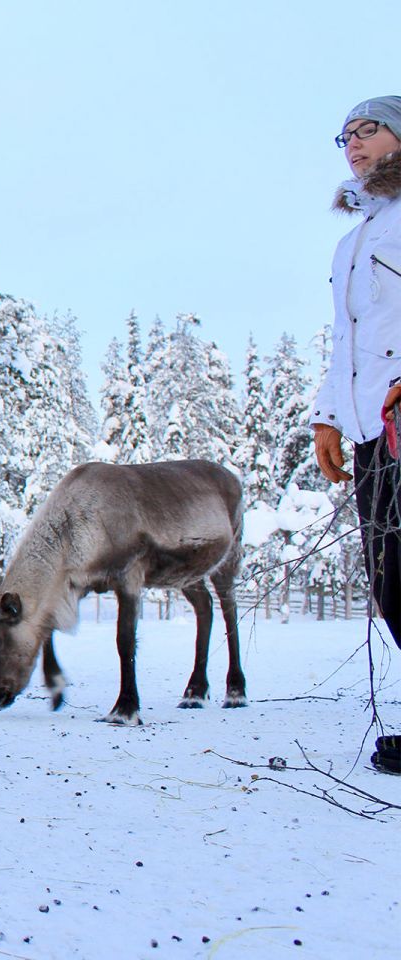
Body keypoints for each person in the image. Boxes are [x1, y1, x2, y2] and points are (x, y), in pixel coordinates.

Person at [310, 96, 401, 776]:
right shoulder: (353, 242)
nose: (353, 144)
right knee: (388, 578)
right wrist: (329, 418)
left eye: (369, 129)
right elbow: (349, 344)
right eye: (345, 136)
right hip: (373, 427)